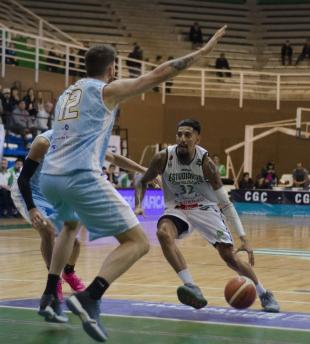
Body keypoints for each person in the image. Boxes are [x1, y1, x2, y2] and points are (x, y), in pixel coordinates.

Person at [37, 25, 227, 342]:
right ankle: (90, 297)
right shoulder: (105, 90)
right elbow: (157, 75)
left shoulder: (67, 95)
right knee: (138, 241)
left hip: (51, 178)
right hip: (79, 176)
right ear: (112, 68)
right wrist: (202, 53)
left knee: (69, 228)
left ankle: (48, 294)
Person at [135, 119, 280, 313]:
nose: (182, 139)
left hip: (205, 208)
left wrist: (243, 238)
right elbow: (141, 181)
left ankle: (264, 293)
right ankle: (191, 286)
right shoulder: (163, 157)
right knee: (163, 233)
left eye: (188, 135)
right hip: (178, 208)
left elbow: (226, 203)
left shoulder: (206, 164)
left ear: (197, 138)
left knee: (230, 257)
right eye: (179, 134)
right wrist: (138, 204)